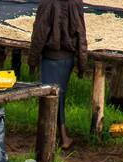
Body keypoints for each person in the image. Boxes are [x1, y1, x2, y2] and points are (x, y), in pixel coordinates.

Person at [29, 0, 87, 151]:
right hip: (66, 58)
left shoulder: (47, 2)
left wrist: (32, 60)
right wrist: (82, 63)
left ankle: (54, 137)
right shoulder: (75, 3)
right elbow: (81, 33)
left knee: (51, 97)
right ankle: (59, 136)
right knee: (58, 96)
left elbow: (39, 33)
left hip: (51, 57)